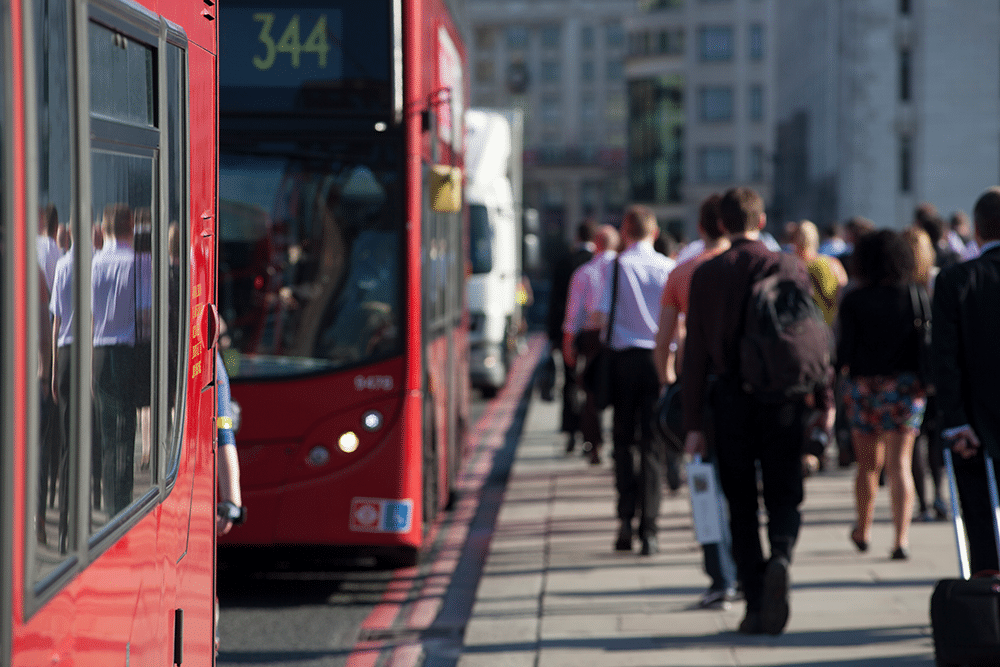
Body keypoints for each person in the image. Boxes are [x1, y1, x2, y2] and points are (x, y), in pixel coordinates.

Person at [683, 186, 818, 636]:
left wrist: (694, 424)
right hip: (783, 396)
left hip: (731, 400)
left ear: (720, 225)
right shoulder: (789, 265)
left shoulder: (707, 274)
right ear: (761, 222)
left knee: (739, 503)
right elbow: (807, 333)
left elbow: (695, 356)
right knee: (784, 490)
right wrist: (822, 399)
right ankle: (781, 552)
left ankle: (756, 601)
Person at [653, 193, 737, 608]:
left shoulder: (683, 272)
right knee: (742, 483)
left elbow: (663, 343)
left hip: (699, 387)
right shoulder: (751, 267)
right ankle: (747, 567)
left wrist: (670, 382)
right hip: (745, 386)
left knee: (705, 486)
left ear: (703, 227)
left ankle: (720, 575)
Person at [837, 229, 929, 561]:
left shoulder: (855, 300)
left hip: (864, 388)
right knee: (900, 464)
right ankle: (900, 539)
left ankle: (864, 528)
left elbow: (843, 354)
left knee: (867, 466)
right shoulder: (915, 295)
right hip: (905, 389)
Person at [596, 205, 673, 556]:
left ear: (625, 232)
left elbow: (599, 316)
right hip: (658, 361)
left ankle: (626, 519)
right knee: (653, 446)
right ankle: (651, 530)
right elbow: (678, 323)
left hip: (623, 361)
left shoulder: (614, 267)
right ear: (654, 233)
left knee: (624, 442)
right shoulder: (667, 268)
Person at [932, 186, 1000, 575]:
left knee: (981, 521)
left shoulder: (957, 280)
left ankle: (989, 601)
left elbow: (944, 357)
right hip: (976, 421)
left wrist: (955, 420)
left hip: (974, 424)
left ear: (977, 230)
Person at [91, 203, 139, 516]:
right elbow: (146, 313)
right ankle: (122, 507)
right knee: (126, 431)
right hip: (125, 351)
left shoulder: (93, 262)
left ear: (105, 228)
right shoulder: (137, 262)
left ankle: (111, 508)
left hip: (98, 352)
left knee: (109, 434)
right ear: (130, 225)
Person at [562, 224, 619, 465]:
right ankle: (621, 445)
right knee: (622, 394)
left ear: (596, 243)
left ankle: (594, 445)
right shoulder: (622, 267)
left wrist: (568, 345)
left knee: (591, 394)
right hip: (618, 336)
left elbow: (572, 315)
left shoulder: (584, 272)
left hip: (592, 339)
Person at [546, 221, 596, 452]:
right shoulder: (599, 264)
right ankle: (591, 434)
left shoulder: (565, 263)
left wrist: (555, 337)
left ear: (577, 237)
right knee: (591, 386)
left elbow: (556, 303)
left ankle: (571, 432)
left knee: (569, 383)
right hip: (594, 336)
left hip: (569, 334)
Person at [791, 220, 848, 327]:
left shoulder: (794, 267)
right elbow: (843, 291)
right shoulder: (833, 263)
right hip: (831, 325)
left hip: (807, 328)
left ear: (795, 240)